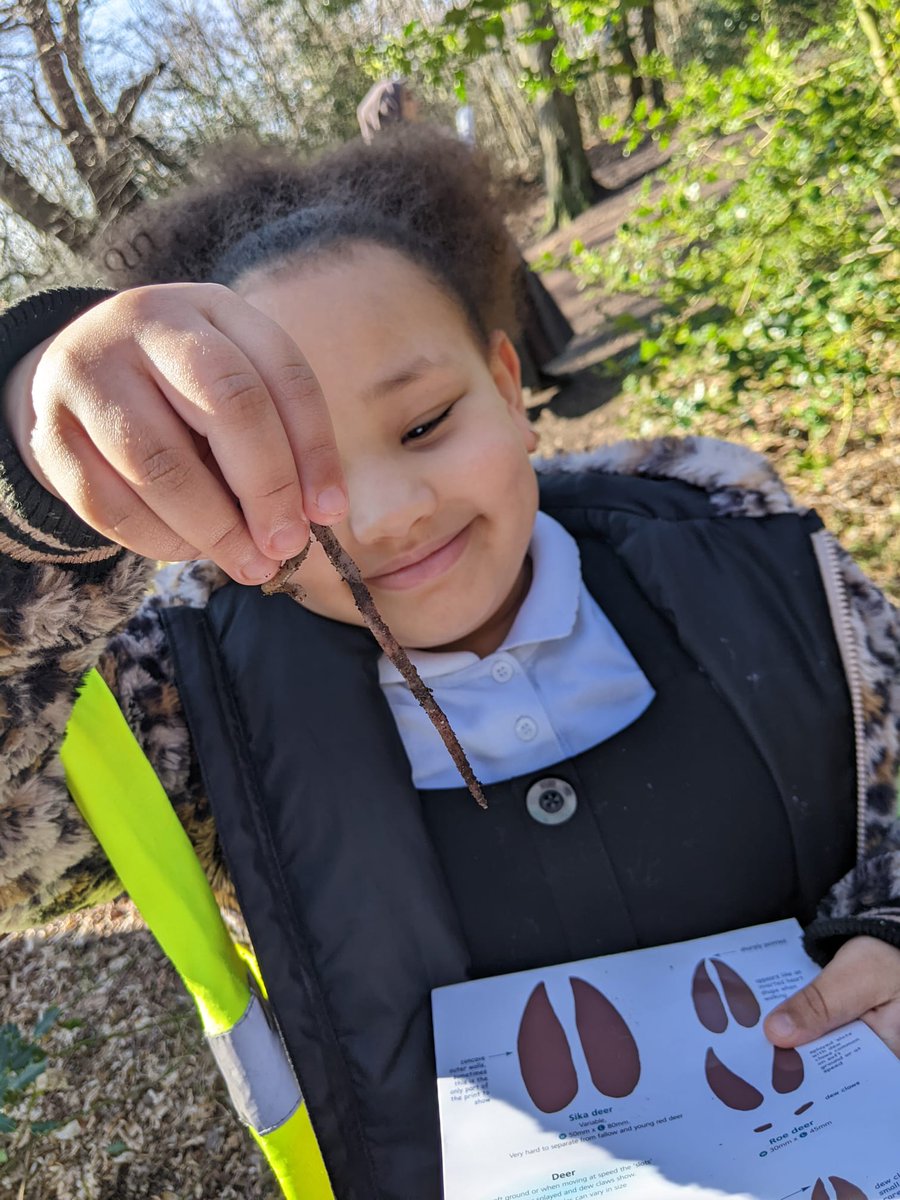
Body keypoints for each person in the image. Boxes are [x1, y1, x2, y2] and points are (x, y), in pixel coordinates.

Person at [1, 127, 899, 1200]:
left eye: (425, 423)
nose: (386, 515)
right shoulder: (190, 709)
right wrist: (28, 487)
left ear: (510, 388)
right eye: (289, 475)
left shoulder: (755, 557)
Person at [356, 78, 575, 390]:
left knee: (515, 304)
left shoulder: (424, 141)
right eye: (409, 98)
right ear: (391, 109)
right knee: (486, 321)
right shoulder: (387, 164)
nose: (416, 103)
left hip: (478, 238)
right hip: (451, 255)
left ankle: (536, 374)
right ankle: (510, 390)